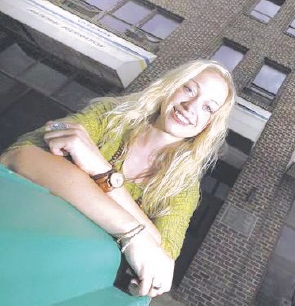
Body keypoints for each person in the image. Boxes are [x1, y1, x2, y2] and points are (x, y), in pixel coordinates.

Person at [0, 59, 236, 298]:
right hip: (17, 228)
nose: (191, 105)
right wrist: (132, 232)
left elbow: (160, 258)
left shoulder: (184, 187)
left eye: (208, 108)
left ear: (209, 125)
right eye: (189, 89)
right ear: (171, 86)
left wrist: (101, 169)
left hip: (67, 278)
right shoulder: (110, 115)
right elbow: (22, 155)